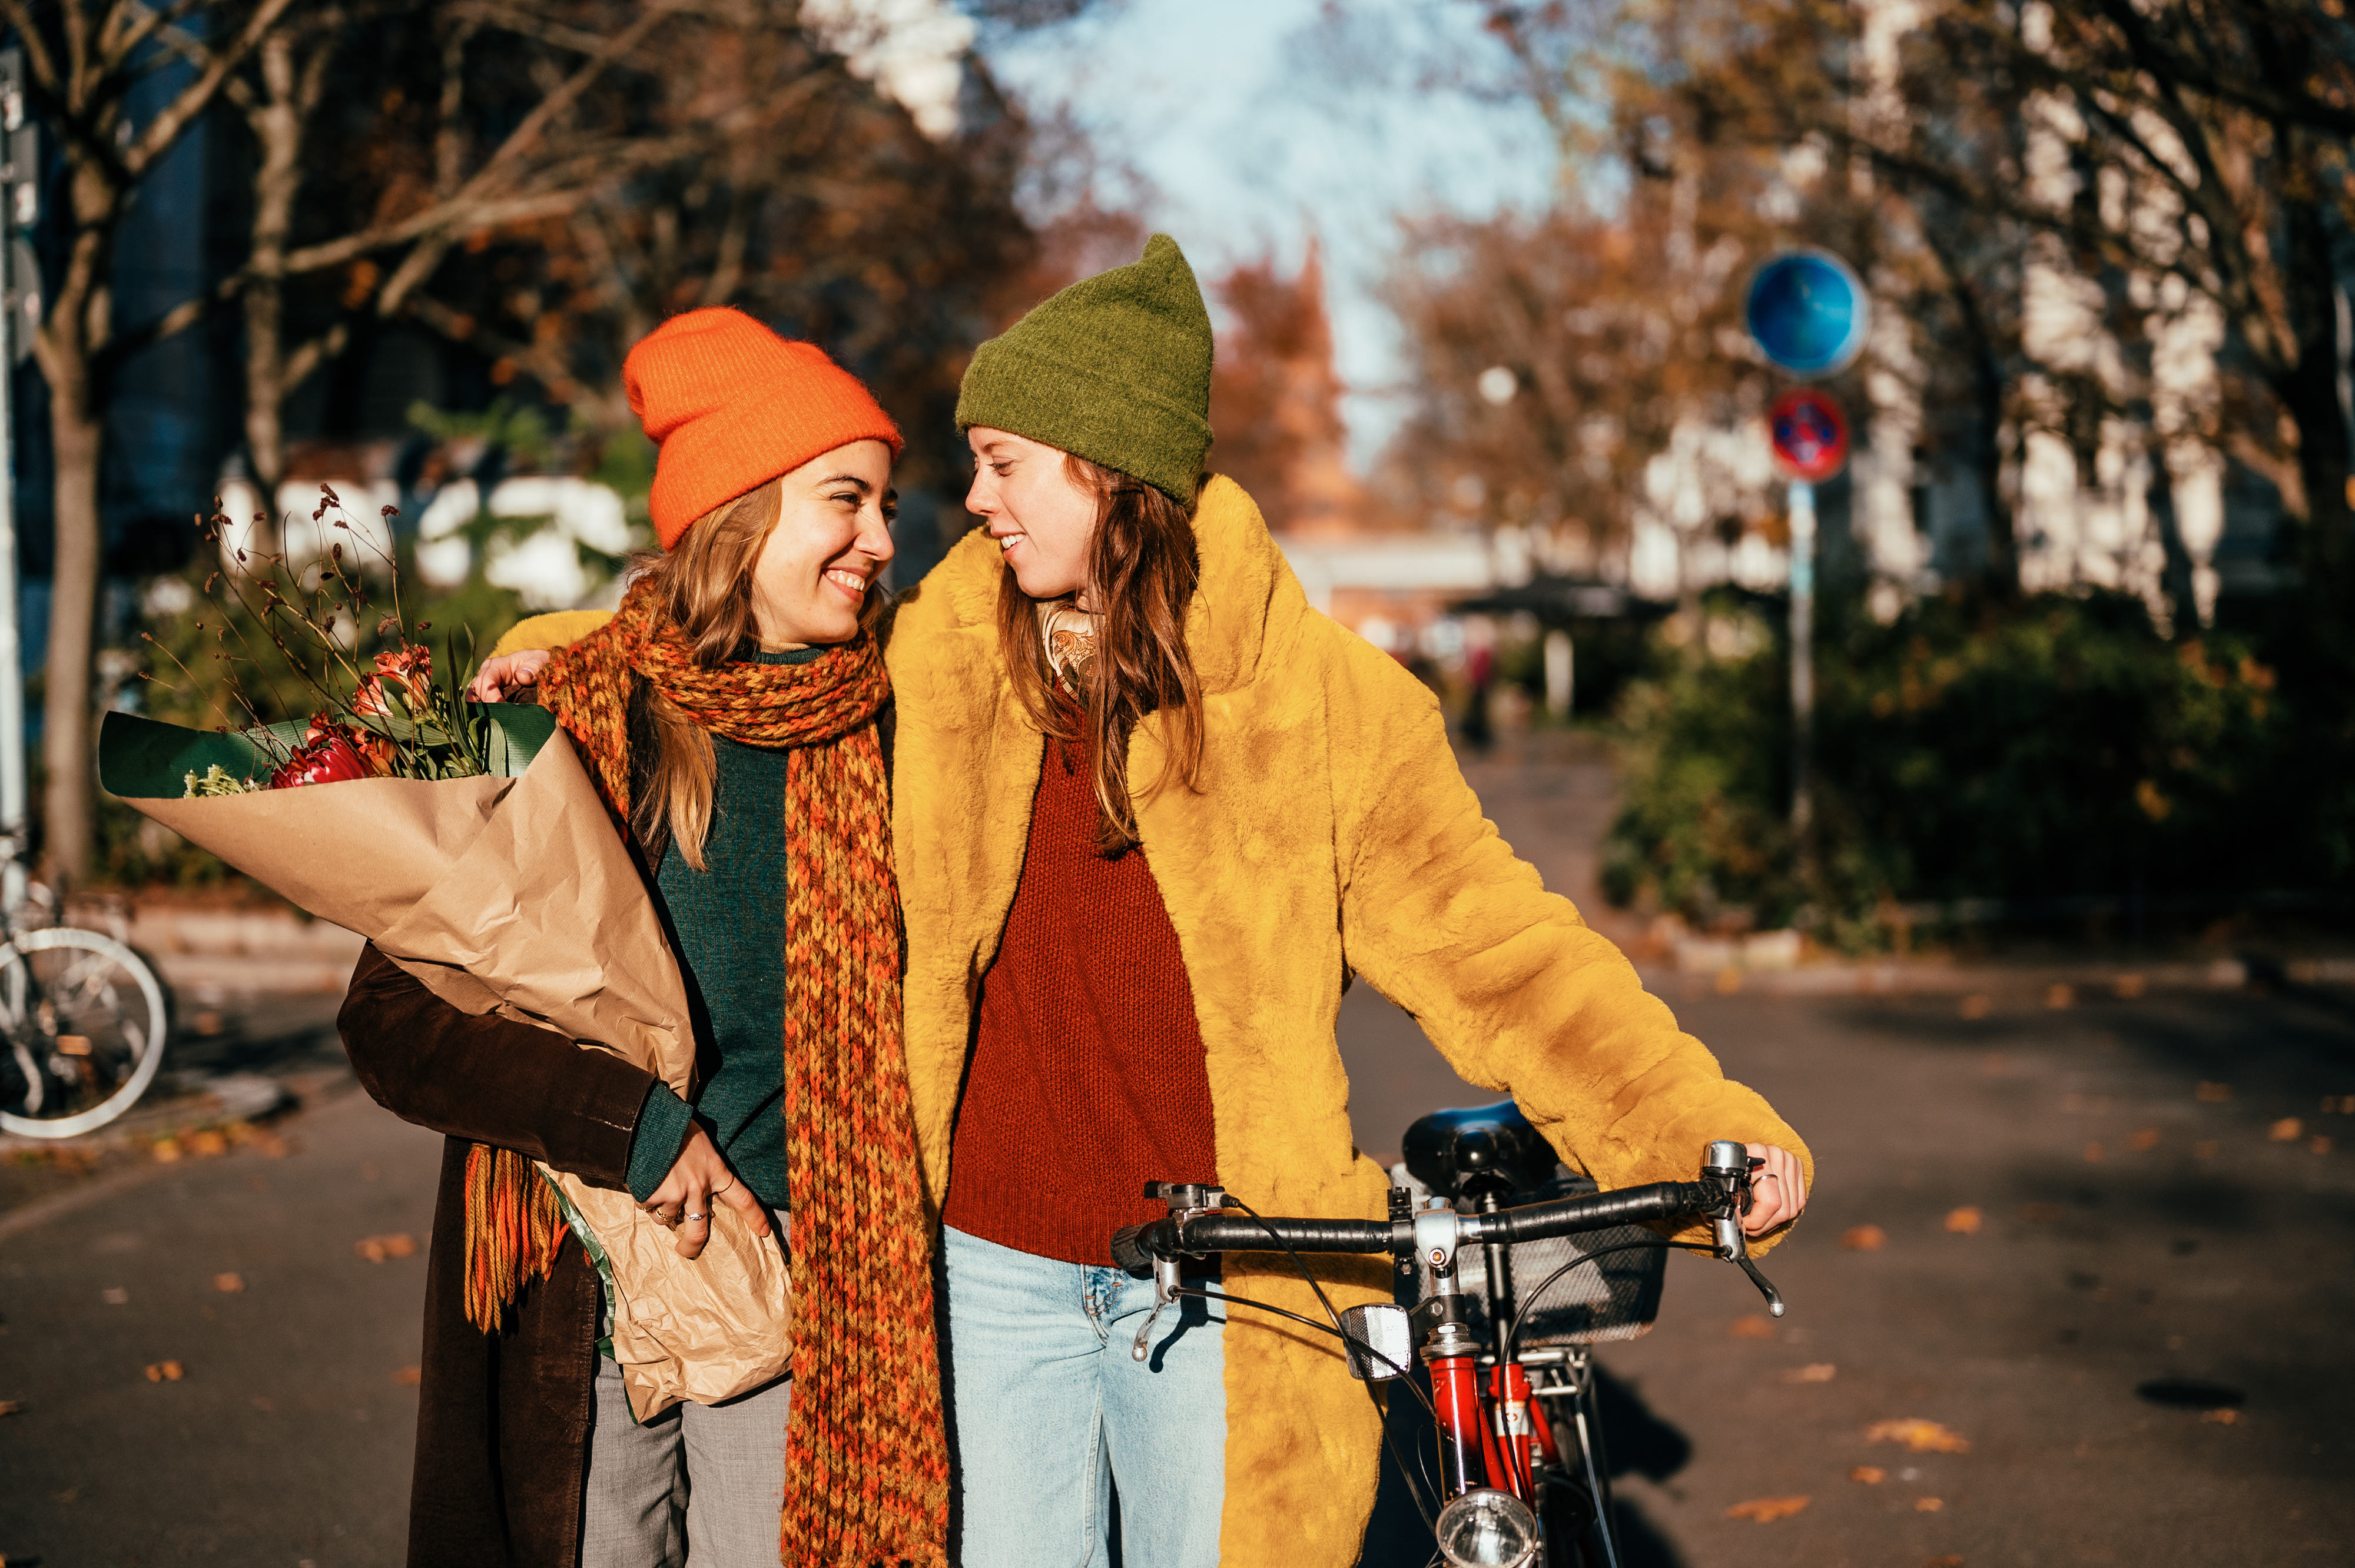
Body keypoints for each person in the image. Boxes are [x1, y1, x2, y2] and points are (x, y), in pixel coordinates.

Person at [479, 238, 1811, 1568]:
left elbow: (1502, 957)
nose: (974, 500)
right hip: (985, 1272)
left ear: (1104, 470)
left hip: (1235, 1278)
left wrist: (1695, 1127)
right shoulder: (938, 657)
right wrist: (563, 660)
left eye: (1002, 462)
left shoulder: (1328, 707)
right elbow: (733, 647)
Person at [339, 307, 948, 1568]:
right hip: (588, 1267)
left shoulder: (894, 726)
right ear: (741, 508)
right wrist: (638, 1131)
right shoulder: (566, 723)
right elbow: (395, 1025)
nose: (881, 542)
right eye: (847, 500)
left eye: (885, 507)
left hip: (811, 1286)